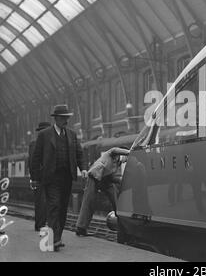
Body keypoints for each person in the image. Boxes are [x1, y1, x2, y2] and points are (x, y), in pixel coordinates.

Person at [31, 105, 87, 251]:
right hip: (51, 178)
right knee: (54, 206)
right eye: (63, 118)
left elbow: (79, 154)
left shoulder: (72, 134)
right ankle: (53, 240)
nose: (66, 121)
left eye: (67, 118)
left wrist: (84, 169)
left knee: (62, 208)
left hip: (67, 177)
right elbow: (36, 158)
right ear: (55, 118)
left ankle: (57, 237)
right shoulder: (44, 135)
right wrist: (35, 178)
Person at [75, 147, 130, 237]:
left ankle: (121, 226)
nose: (126, 161)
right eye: (127, 158)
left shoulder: (118, 163)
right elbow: (115, 149)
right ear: (123, 154)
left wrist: (121, 180)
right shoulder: (112, 154)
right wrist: (129, 152)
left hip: (105, 180)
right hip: (95, 176)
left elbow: (111, 177)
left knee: (115, 199)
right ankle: (81, 228)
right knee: (89, 202)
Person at [28, 121, 51, 232]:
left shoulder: (43, 143)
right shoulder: (35, 144)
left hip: (47, 177)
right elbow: (32, 162)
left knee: (43, 202)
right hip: (40, 177)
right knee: (41, 202)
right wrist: (34, 178)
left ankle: (41, 223)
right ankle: (40, 224)